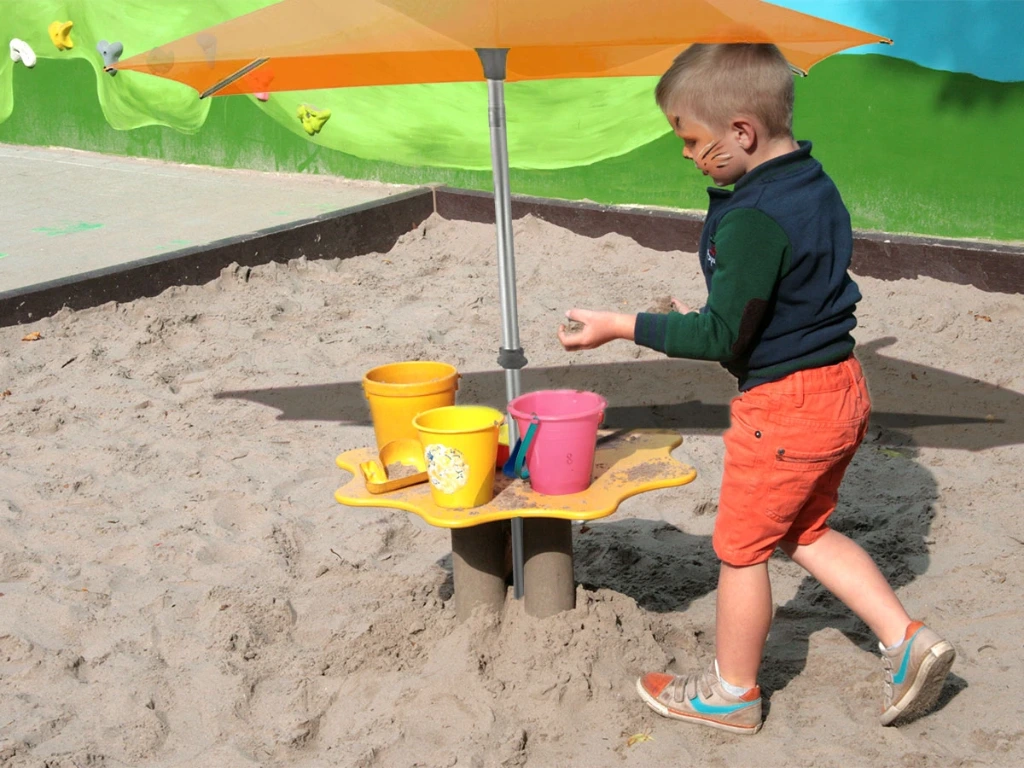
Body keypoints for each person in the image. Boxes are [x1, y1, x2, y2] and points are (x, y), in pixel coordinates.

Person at [558, 43, 954, 734]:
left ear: (741, 132)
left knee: (740, 552)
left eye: (690, 138)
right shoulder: (812, 181)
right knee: (807, 530)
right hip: (840, 388)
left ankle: (731, 692)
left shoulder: (753, 218)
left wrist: (623, 324)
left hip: (786, 407)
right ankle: (907, 641)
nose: (686, 153)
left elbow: (720, 337)